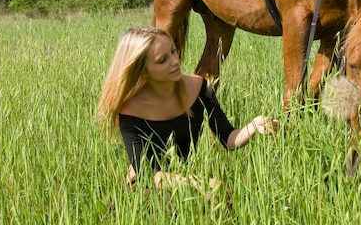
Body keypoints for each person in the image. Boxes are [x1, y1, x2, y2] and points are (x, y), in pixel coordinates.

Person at [97, 26, 279, 190]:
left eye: (174, 51)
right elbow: (147, 173)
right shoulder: (130, 109)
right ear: (142, 69)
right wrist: (197, 183)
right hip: (149, 186)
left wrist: (254, 126)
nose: (175, 61)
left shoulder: (199, 87)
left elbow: (228, 138)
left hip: (188, 181)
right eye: (162, 60)